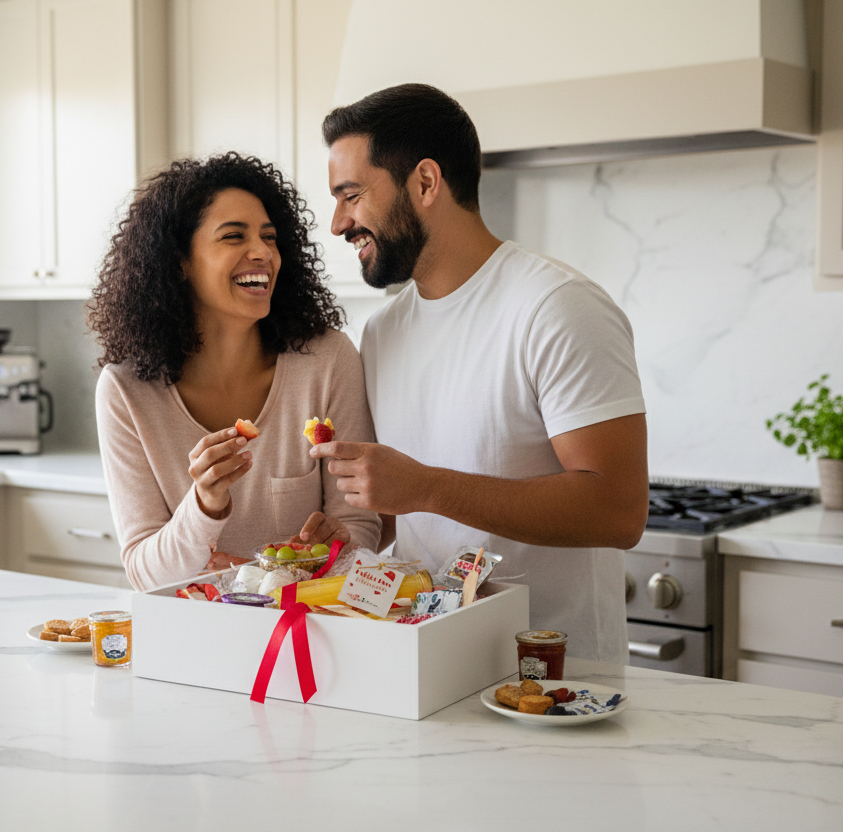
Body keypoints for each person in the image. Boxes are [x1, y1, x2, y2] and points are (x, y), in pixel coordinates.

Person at [314, 84, 648, 663]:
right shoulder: (383, 331)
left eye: (351, 195)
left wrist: (425, 485)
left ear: (424, 182)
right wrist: (358, 532)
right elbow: (408, 499)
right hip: (428, 664)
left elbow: (618, 510)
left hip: (556, 680)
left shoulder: (556, 307)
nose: (339, 222)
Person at [89, 152, 381, 591]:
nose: (263, 252)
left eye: (269, 236)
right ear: (180, 262)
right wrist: (204, 504)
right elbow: (144, 572)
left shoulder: (327, 361)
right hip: (196, 640)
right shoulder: (125, 391)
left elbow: (359, 525)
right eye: (233, 236)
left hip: (309, 636)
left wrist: (336, 549)